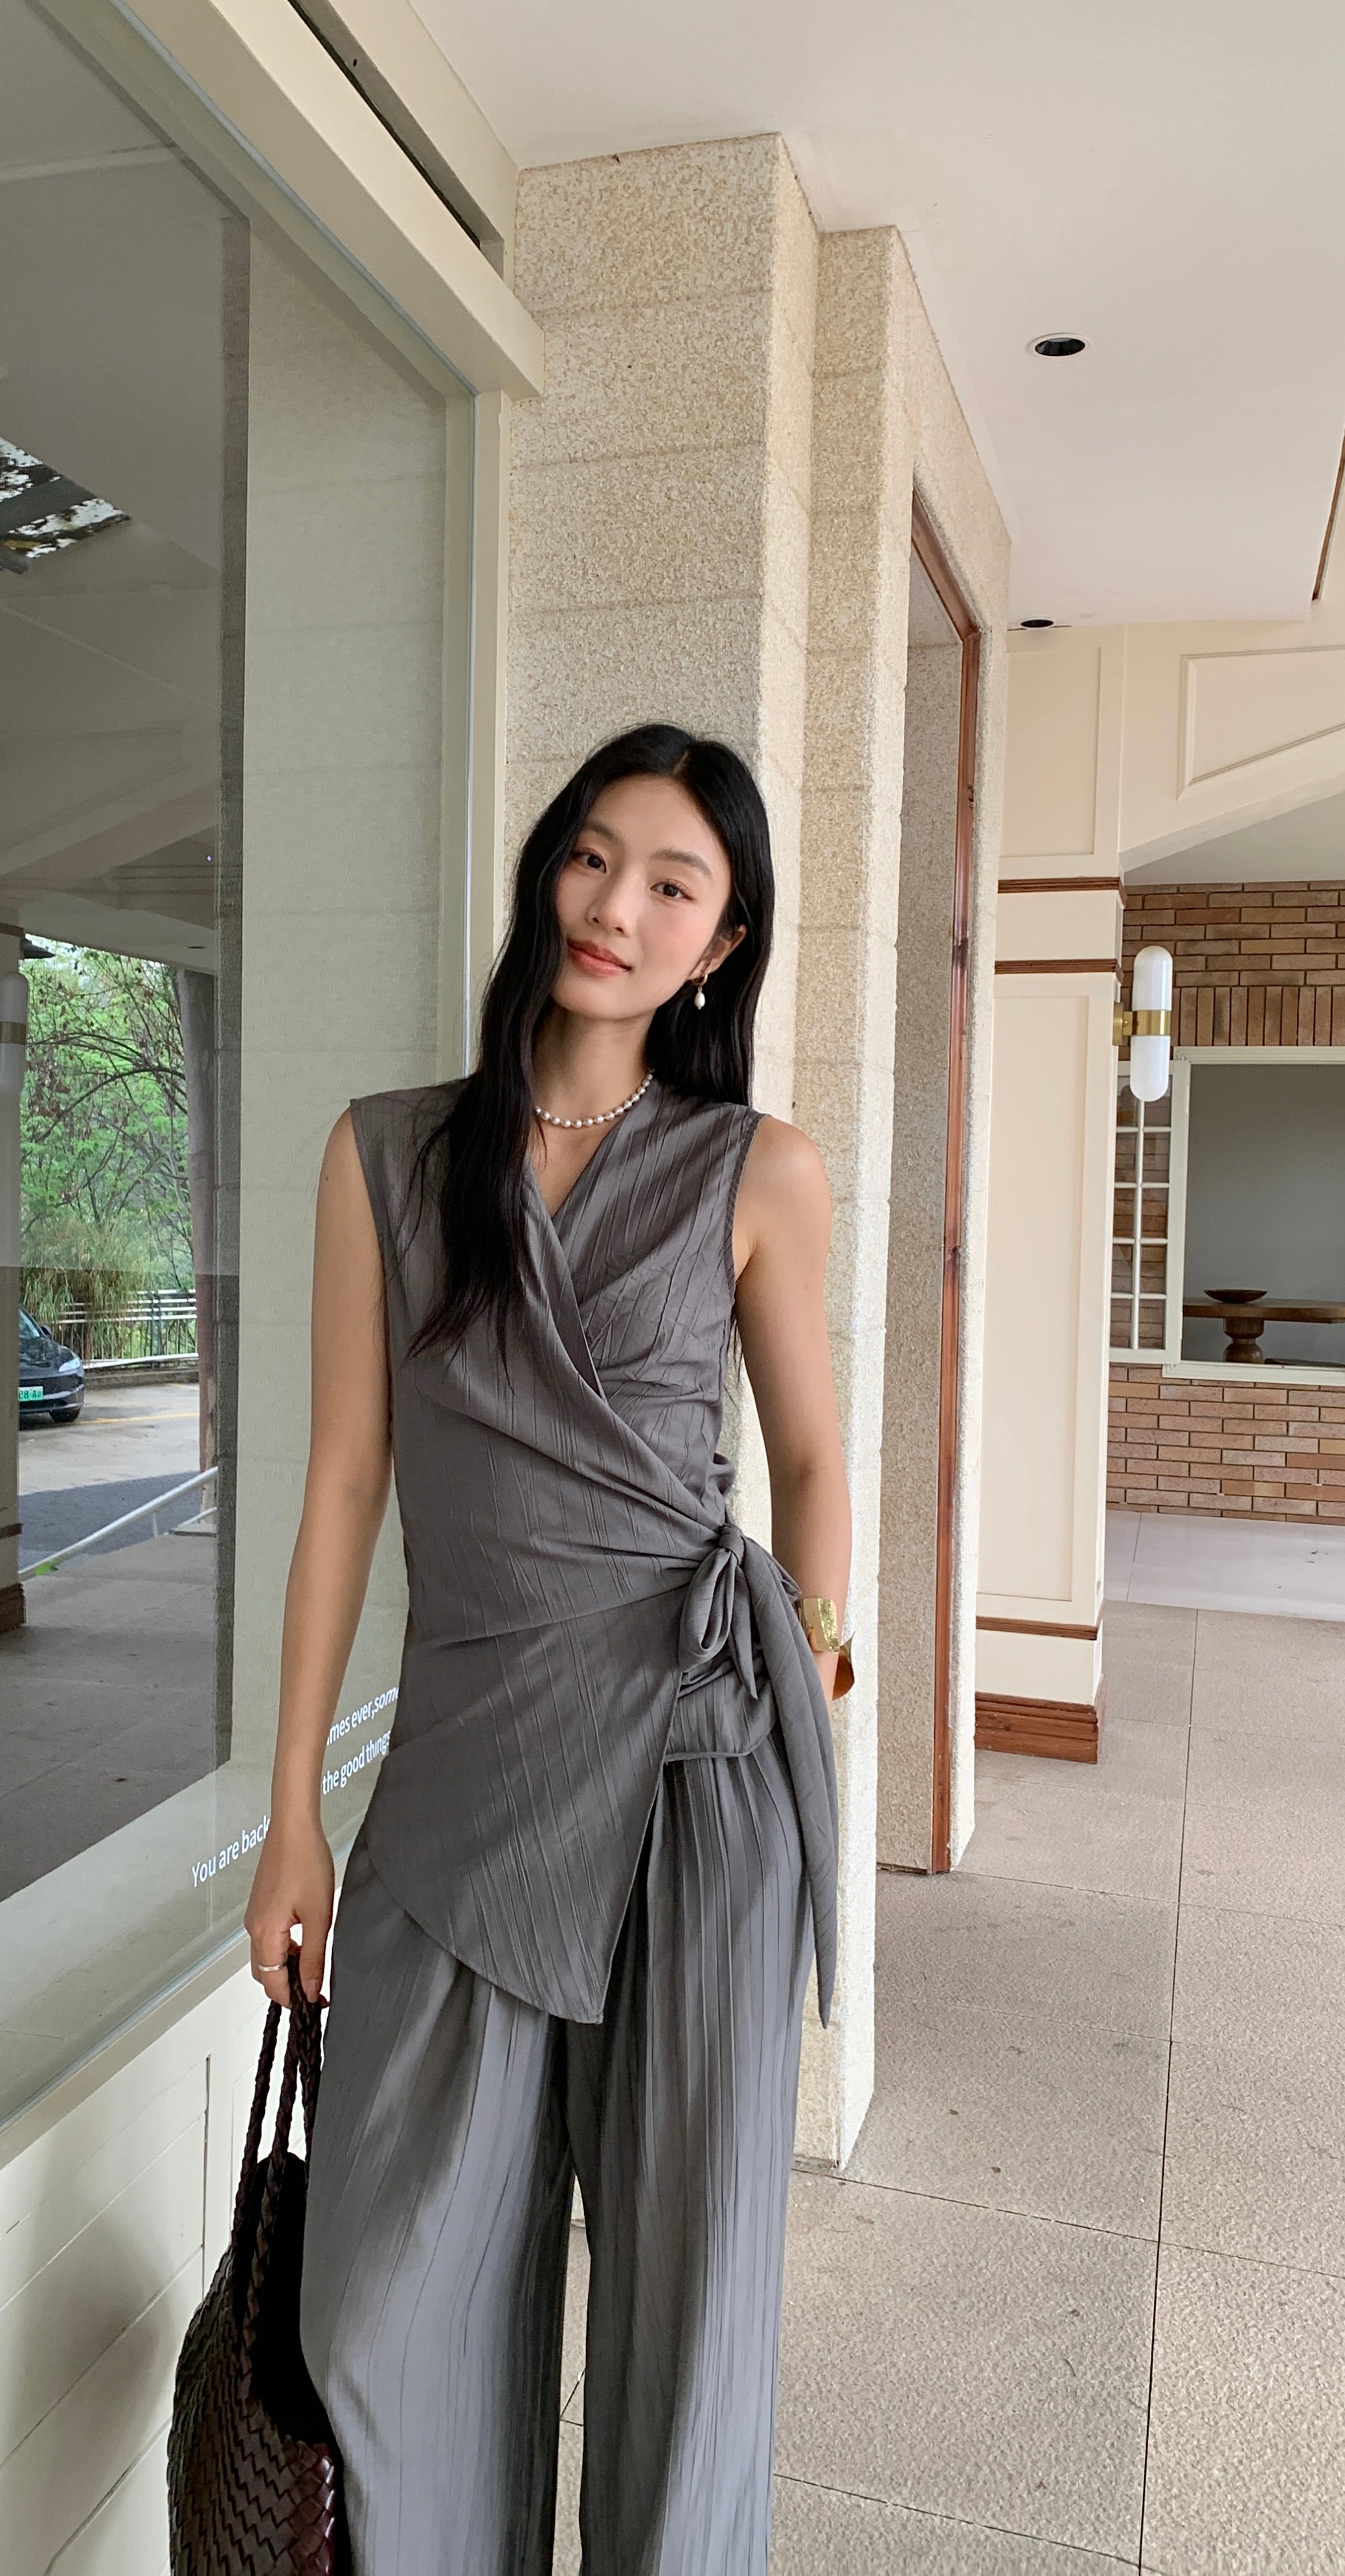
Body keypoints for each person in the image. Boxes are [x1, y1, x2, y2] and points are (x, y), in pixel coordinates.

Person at [244, 722, 851, 2574]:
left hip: (696, 1776)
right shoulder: (388, 1154)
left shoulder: (758, 1169)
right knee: (383, 2303)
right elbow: (344, 1481)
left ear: (720, 945)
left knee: (689, 2322)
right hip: (464, 1780)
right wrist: (292, 1813)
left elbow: (814, 1457)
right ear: (546, 872)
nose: (616, 906)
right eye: (594, 856)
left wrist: (815, 1652)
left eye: (673, 883)